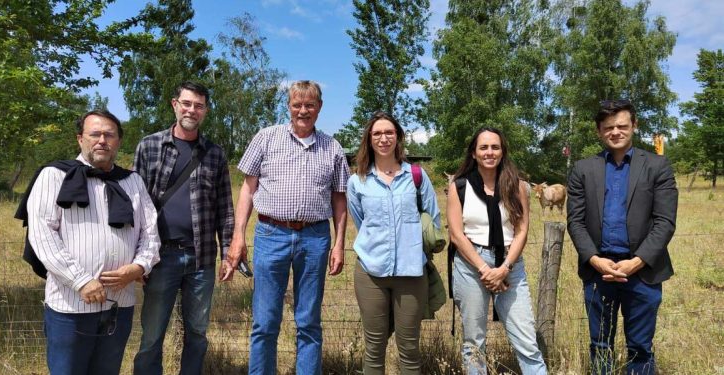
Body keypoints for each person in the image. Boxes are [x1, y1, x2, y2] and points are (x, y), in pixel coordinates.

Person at [222, 80, 350, 374]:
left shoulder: (332, 147)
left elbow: (339, 199)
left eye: (309, 105)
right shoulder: (266, 138)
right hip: (270, 234)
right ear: (289, 106)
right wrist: (238, 237)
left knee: (308, 321)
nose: (303, 111)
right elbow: (247, 189)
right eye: (297, 104)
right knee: (265, 321)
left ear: (319, 108)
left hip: (315, 238)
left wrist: (339, 243)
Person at [21, 109, 160, 374]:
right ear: (80, 139)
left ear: (118, 141)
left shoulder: (133, 182)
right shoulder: (53, 176)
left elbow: (151, 233)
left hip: (119, 304)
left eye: (109, 135)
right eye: (94, 134)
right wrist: (81, 281)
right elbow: (42, 235)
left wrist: (140, 267)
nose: (102, 140)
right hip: (70, 305)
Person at [567, 99, 678, 375]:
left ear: (634, 126)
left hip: (642, 273)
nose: (615, 132)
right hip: (599, 273)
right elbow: (575, 222)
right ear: (599, 131)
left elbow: (665, 222)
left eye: (621, 126)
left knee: (640, 346)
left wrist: (636, 262)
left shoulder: (657, 166)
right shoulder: (583, 169)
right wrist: (594, 259)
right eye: (608, 127)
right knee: (600, 344)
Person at [133, 81, 235, 375]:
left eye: (199, 106)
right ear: (174, 104)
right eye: (187, 103)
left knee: (197, 334)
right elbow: (135, 205)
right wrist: (136, 258)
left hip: (201, 259)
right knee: (152, 335)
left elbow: (224, 209)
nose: (192, 110)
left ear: (205, 111)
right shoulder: (149, 146)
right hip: (159, 257)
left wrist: (228, 253)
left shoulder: (214, 153)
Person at [346, 111, 441, 374]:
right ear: (369, 139)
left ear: (398, 137)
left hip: (411, 273)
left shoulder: (417, 177)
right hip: (371, 273)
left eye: (389, 133)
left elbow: (433, 220)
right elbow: (361, 222)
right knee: (374, 348)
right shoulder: (357, 181)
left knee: (409, 349)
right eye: (377, 133)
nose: (383, 138)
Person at [447, 127, 547, 375]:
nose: (489, 152)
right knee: (474, 342)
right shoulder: (459, 186)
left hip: (510, 264)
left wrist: (504, 269)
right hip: (470, 266)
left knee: (526, 340)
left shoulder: (518, 186)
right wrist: (485, 269)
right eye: (484, 147)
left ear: (503, 151)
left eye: (495, 147)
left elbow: (522, 230)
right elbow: (456, 235)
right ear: (474, 152)